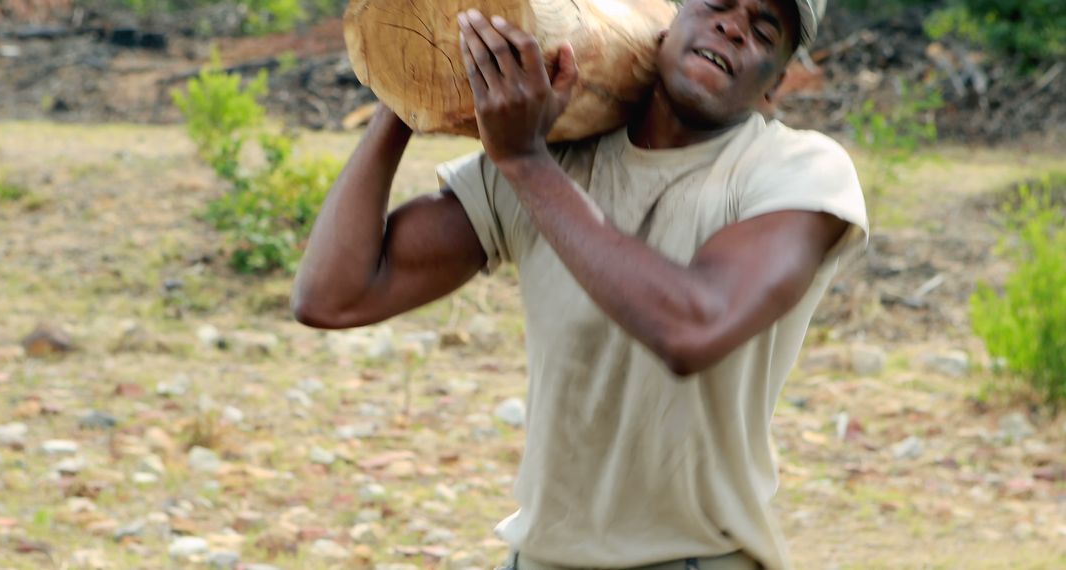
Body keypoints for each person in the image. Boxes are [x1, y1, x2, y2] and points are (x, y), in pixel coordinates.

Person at [292, 0, 867, 567]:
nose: (734, 27)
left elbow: (694, 327)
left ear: (776, 86)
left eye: (764, 30)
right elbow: (333, 295)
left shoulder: (797, 171)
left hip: (696, 560)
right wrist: (412, 89)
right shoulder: (561, 162)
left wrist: (524, 161)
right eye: (719, 3)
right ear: (666, 24)